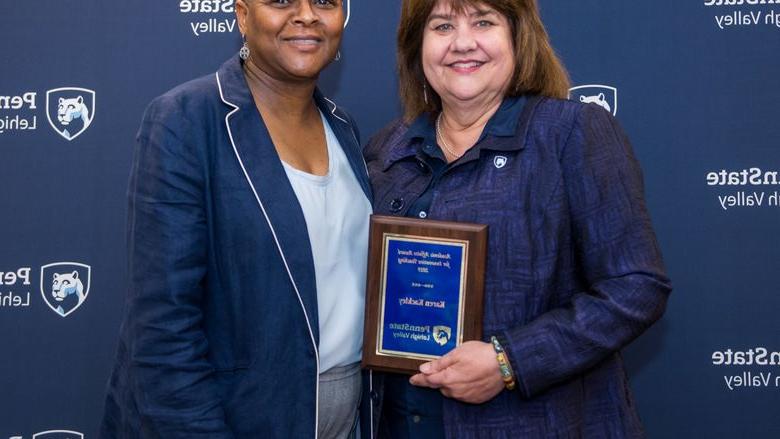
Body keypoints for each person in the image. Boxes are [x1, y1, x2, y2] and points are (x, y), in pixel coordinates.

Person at [362, 0, 672, 437]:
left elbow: (636, 287)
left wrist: (510, 360)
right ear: (417, 46)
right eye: (442, 25)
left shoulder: (571, 133)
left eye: (484, 22)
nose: (462, 43)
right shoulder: (385, 149)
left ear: (517, 38)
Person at [100, 0, 372, 437]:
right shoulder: (185, 122)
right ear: (243, 15)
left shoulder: (343, 129)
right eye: (281, 1)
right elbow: (163, 334)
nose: (306, 14)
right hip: (231, 421)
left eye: (325, 1)